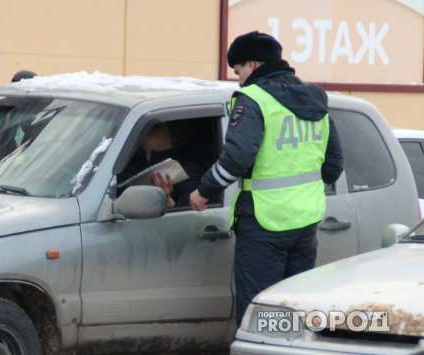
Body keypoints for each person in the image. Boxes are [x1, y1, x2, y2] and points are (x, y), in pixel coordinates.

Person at [189, 31, 344, 328]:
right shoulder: (315, 100)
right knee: (294, 309)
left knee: (260, 314)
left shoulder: (253, 99)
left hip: (264, 222)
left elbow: (237, 158)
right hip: (306, 222)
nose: (238, 79)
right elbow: (334, 165)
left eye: (237, 71)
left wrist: (204, 191)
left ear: (251, 64)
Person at [118, 121, 212, 208]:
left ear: (174, 135)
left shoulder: (190, 172)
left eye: (155, 126)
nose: (147, 129)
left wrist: (167, 201)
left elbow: (189, 217)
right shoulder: (124, 161)